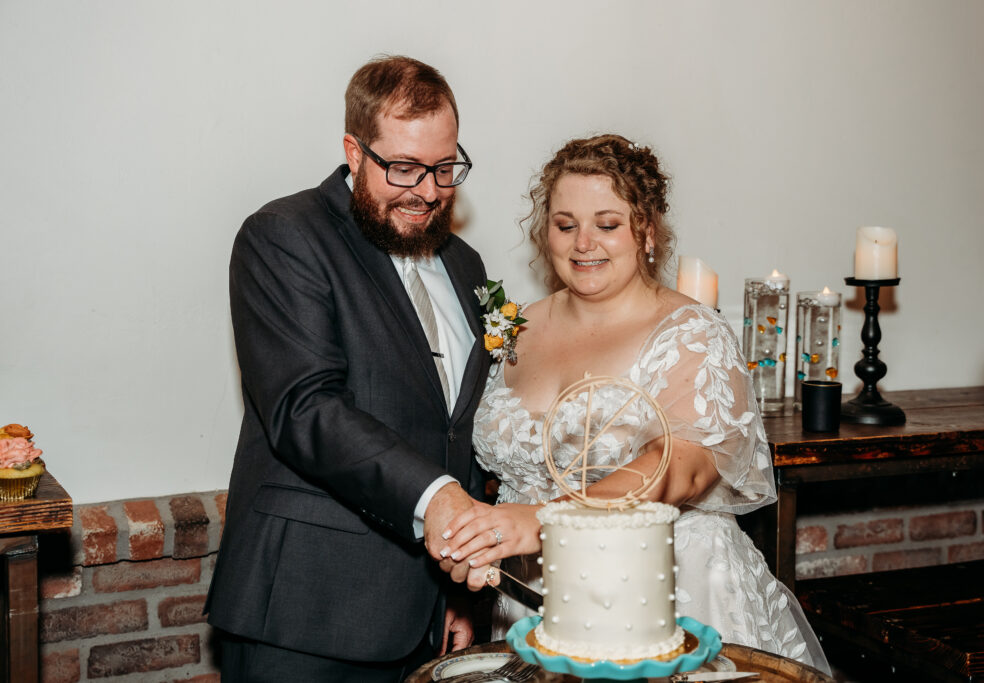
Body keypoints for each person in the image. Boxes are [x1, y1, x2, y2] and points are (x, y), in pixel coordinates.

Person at [436, 134, 831, 673]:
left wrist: (551, 521)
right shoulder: (515, 327)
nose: (583, 244)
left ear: (645, 230)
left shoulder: (692, 332)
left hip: (667, 596)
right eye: (565, 224)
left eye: (607, 224)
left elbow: (685, 466)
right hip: (533, 601)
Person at [205, 55, 492, 682]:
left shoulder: (466, 265)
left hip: (425, 616)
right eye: (404, 167)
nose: (427, 190)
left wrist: (459, 594)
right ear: (354, 151)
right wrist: (438, 501)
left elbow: (456, 431)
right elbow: (305, 409)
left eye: (445, 168)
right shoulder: (285, 236)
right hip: (306, 613)